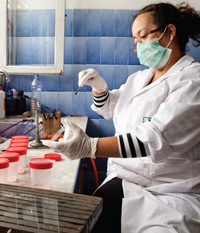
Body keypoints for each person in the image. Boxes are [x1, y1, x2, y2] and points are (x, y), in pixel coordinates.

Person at [43, 2, 200, 233]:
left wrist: (89, 146)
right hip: (125, 180)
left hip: (170, 194)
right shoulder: (140, 78)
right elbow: (111, 108)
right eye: (135, 41)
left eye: (143, 36)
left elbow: (152, 139)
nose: (138, 45)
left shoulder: (192, 81)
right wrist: (99, 89)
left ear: (170, 32)